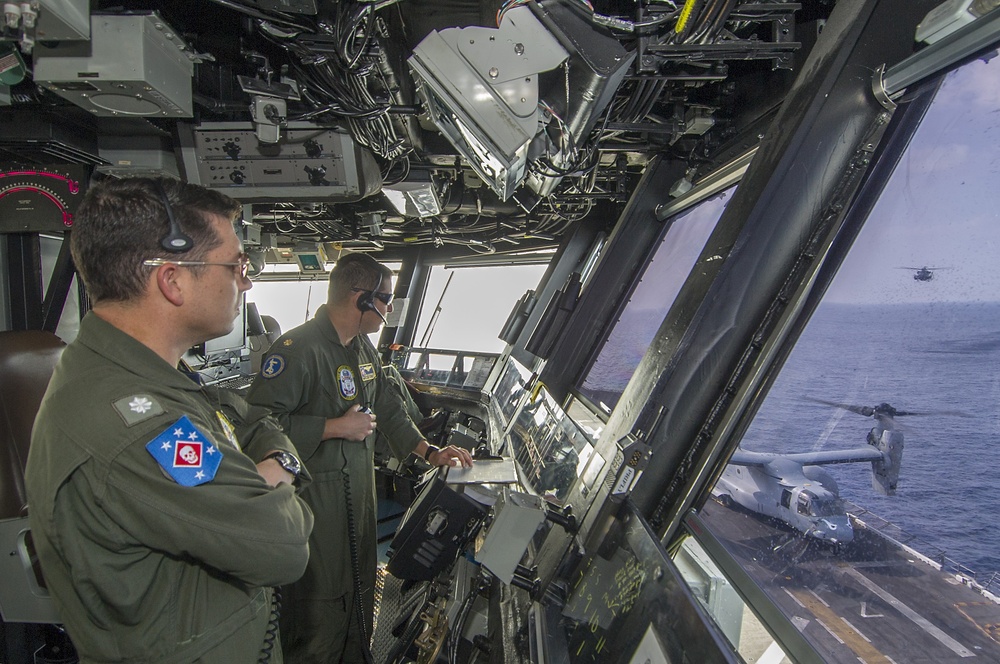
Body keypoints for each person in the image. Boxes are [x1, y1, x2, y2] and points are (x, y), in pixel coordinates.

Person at [24, 177, 315, 663]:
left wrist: (276, 462)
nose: (245, 280)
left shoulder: (150, 372)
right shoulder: (136, 425)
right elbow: (283, 545)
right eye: (237, 264)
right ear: (173, 280)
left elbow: (245, 418)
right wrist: (278, 482)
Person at [246, 252, 473, 663]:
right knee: (322, 605)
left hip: (358, 502)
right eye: (385, 299)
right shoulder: (298, 350)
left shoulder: (361, 349)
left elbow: (386, 405)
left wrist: (430, 452)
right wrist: (332, 427)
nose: (389, 309)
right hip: (315, 507)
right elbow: (259, 425)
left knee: (360, 591)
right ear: (361, 298)